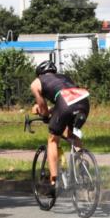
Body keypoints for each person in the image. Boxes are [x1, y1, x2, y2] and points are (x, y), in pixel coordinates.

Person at [30, 60, 90, 189]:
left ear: (39, 74)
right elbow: (67, 101)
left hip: (65, 104)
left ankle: (53, 182)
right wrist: (52, 111)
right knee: (72, 134)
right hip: (84, 102)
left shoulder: (36, 83)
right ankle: (82, 165)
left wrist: (44, 115)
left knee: (52, 140)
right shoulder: (65, 78)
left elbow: (43, 107)